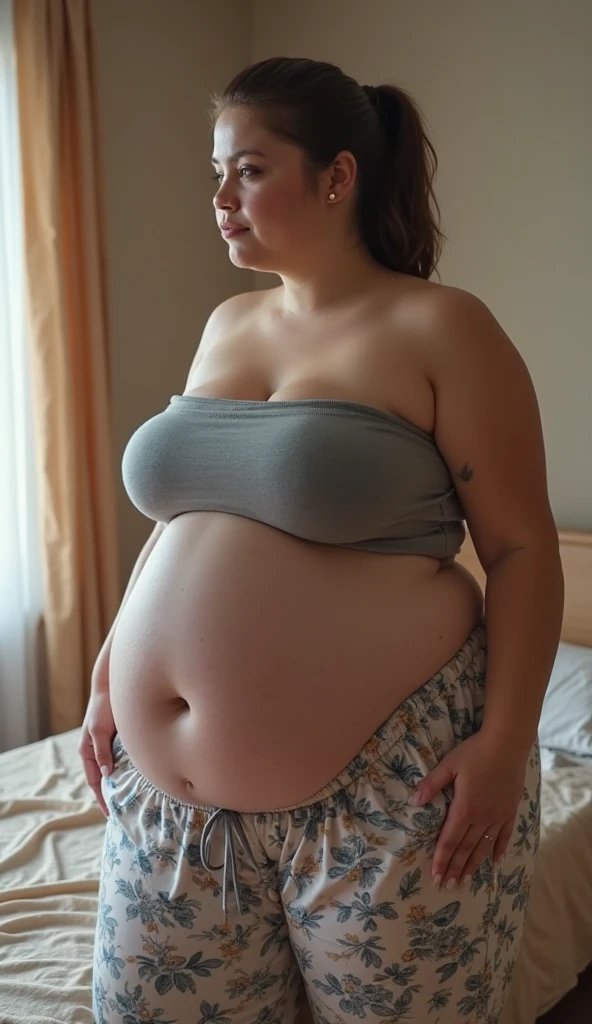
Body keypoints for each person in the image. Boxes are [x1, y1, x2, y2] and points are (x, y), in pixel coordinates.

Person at [82, 56, 564, 1024]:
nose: (220, 197)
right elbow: (186, 517)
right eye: (214, 173)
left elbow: (519, 549)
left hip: (381, 793)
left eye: (249, 169)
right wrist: (108, 677)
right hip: (173, 812)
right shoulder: (226, 322)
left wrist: (507, 742)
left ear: (336, 175)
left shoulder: (440, 325)